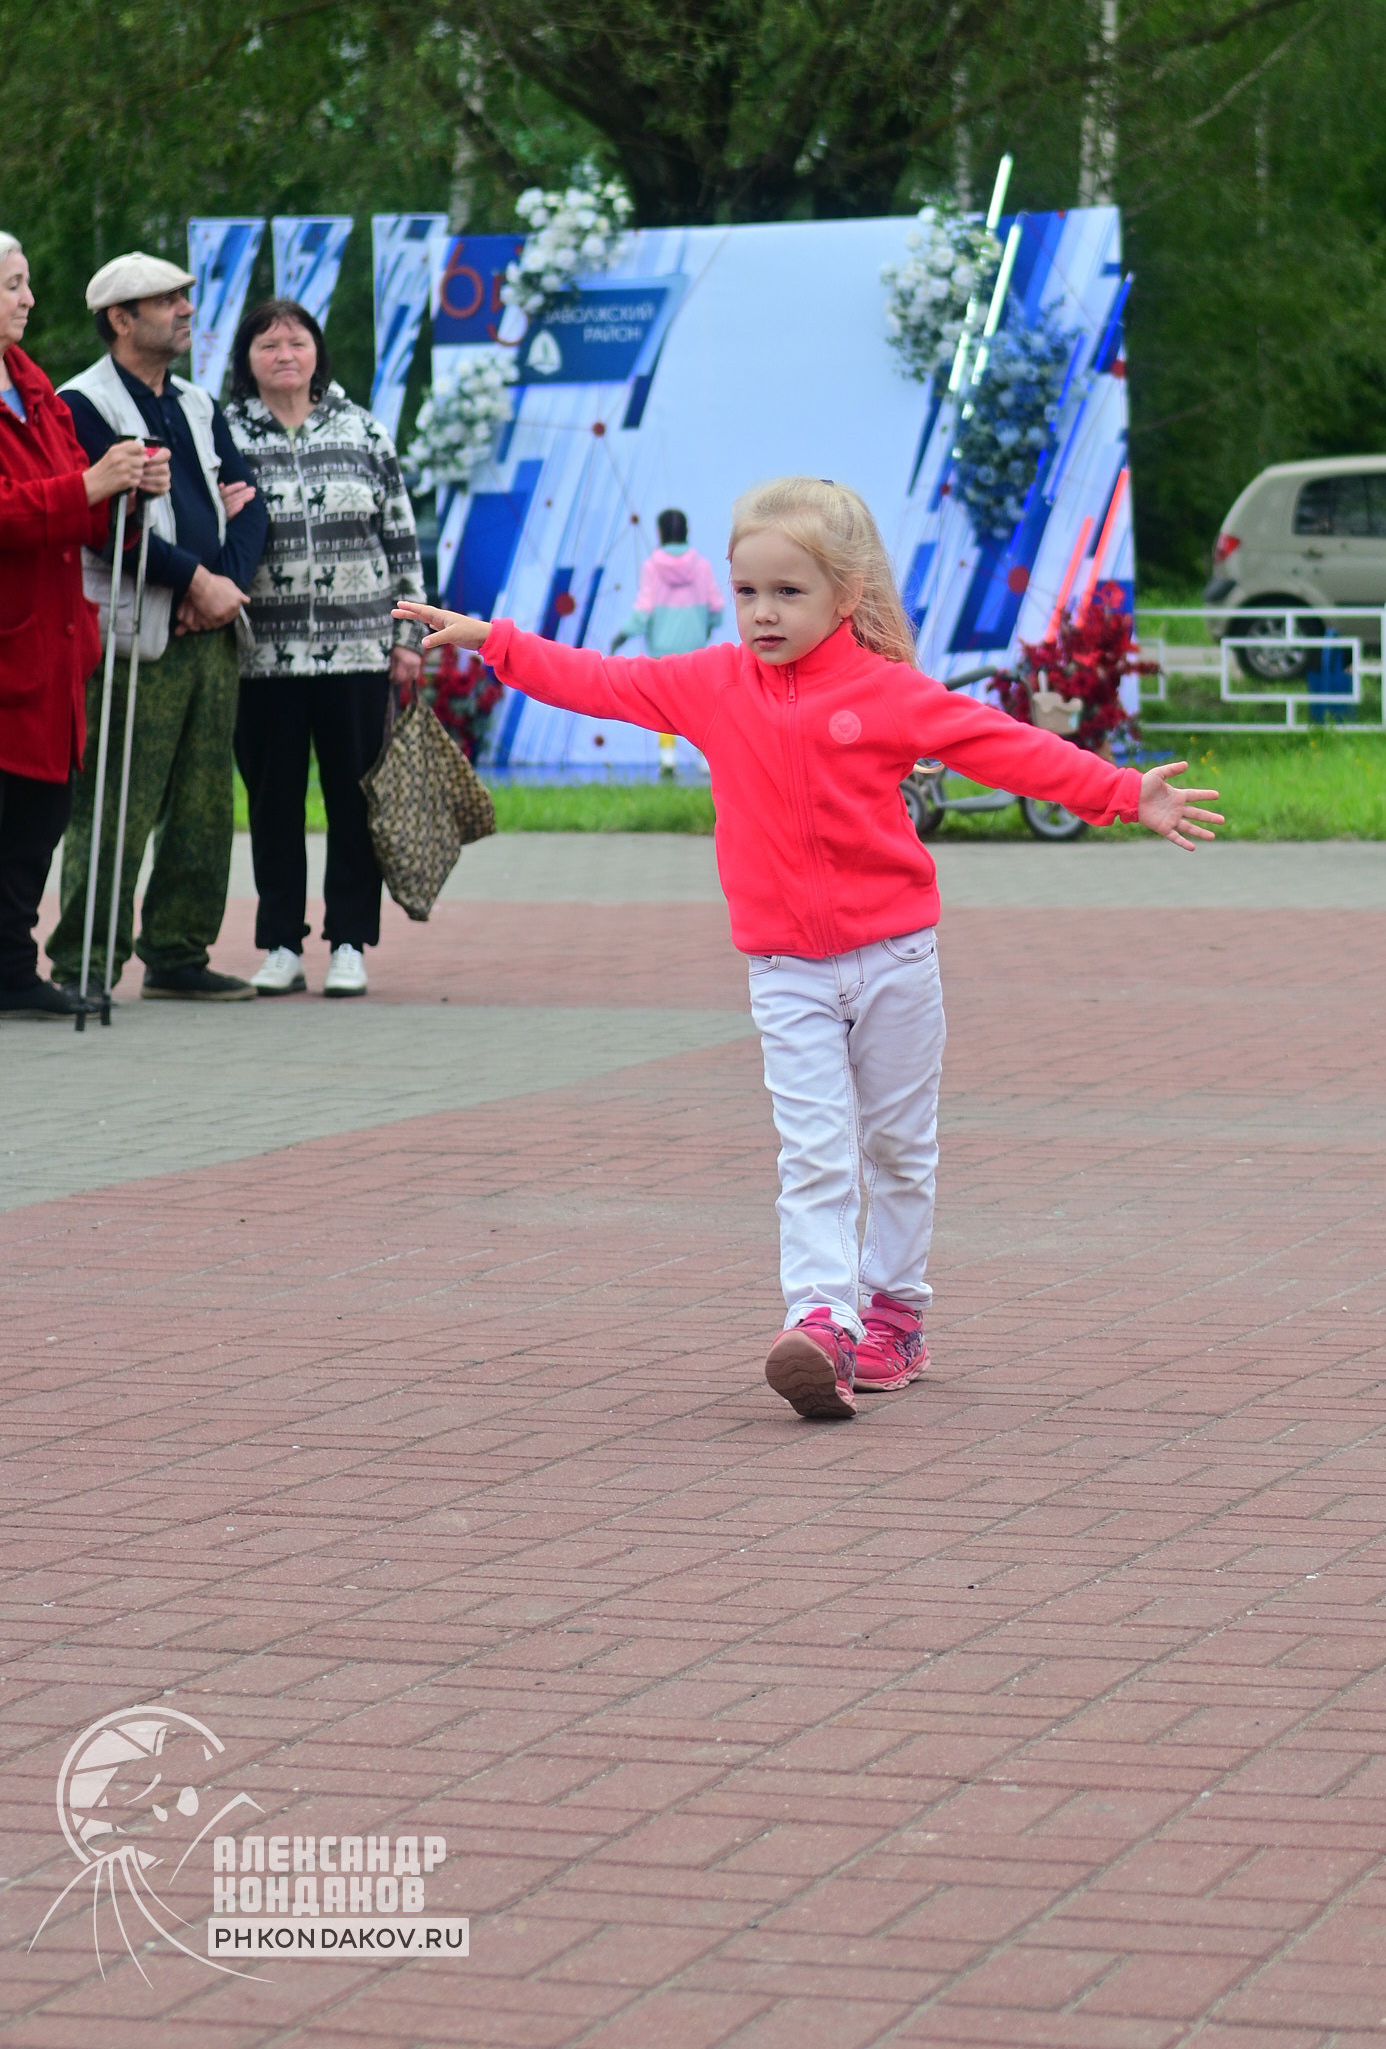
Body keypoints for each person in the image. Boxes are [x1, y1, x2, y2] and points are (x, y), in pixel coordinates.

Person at [396, 475, 1222, 1421]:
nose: (763, 612)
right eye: (747, 591)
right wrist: (494, 639)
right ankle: (822, 1321)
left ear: (846, 597)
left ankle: (896, 1314)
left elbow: (1003, 747)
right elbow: (603, 681)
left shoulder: (889, 693)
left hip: (895, 961)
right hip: (785, 972)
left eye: (788, 592)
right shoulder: (712, 685)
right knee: (816, 1151)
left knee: (899, 1149)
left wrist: (1124, 793)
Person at [47, 255, 269, 1003]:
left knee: (206, 804)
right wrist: (193, 580)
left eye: (184, 297)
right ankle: (85, 963)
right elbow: (99, 522)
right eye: (166, 299)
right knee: (115, 805)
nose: (184, 309)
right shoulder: (82, 405)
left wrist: (223, 586)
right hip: (131, 635)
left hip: (211, 630)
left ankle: (178, 952)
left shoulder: (197, 403)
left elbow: (250, 501)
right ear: (120, 319)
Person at [224, 296, 426, 999]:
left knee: (354, 798)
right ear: (247, 360)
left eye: (297, 343)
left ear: (317, 352)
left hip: (357, 652)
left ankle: (349, 942)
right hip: (262, 655)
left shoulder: (363, 429)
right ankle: (281, 943)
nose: (285, 355)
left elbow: (400, 538)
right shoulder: (225, 436)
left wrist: (408, 636)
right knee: (272, 802)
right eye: (268, 345)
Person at [0, 233, 171, 1015]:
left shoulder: (32, 387)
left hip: (54, 640)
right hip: (14, 638)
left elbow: (81, 500)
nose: (29, 299)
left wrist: (128, 488)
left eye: (27, 282)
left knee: (41, 814)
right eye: (13, 285)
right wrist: (89, 487)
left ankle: (12, 970)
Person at [608, 507, 724, 778]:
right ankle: (705, 760)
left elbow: (644, 609)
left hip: (661, 649)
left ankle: (668, 758)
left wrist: (623, 635)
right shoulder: (702, 566)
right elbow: (716, 606)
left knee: (664, 703)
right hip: (695, 648)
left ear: (659, 532)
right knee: (699, 702)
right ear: (687, 531)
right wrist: (707, 628)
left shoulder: (651, 567)